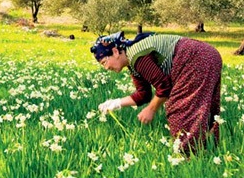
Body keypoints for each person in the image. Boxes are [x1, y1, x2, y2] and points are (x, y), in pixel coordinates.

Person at [91, 31, 222, 154]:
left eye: (104, 62)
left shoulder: (137, 56)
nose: (106, 68)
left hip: (195, 57)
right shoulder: (133, 61)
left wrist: (151, 110)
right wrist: (116, 103)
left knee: (180, 108)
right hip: (207, 54)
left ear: (115, 52)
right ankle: (208, 149)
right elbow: (144, 94)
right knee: (204, 105)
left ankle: (189, 156)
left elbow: (164, 87)